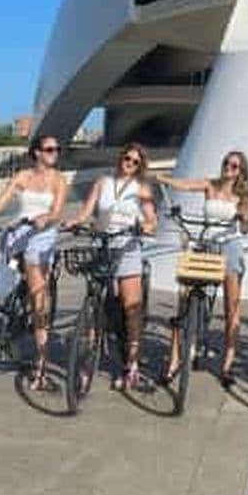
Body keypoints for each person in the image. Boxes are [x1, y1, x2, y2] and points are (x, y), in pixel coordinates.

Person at [0, 134, 67, 389]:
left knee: (37, 297)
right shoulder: (22, 177)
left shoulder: (58, 179)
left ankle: (40, 364)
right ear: (37, 153)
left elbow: (57, 212)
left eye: (57, 149)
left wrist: (45, 219)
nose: (55, 153)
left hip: (42, 235)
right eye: (50, 149)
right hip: (18, 232)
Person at [156, 151, 248, 387]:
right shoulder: (211, 185)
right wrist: (166, 180)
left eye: (234, 166)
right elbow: (188, 185)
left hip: (229, 248)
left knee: (232, 308)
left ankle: (227, 365)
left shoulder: (243, 195)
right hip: (205, 245)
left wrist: (243, 217)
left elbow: (247, 227)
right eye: (226, 163)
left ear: (241, 171)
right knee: (184, 302)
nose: (229, 168)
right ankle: (174, 361)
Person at [67, 142, 157, 389]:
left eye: (135, 161)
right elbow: (86, 212)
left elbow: (152, 220)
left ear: (140, 166)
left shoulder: (141, 188)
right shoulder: (102, 182)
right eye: (126, 158)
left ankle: (132, 364)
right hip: (102, 245)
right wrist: (72, 222)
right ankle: (88, 359)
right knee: (96, 304)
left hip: (127, 248)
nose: (129, 163)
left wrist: (143, 228)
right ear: (120, 158)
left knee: (131, 308)